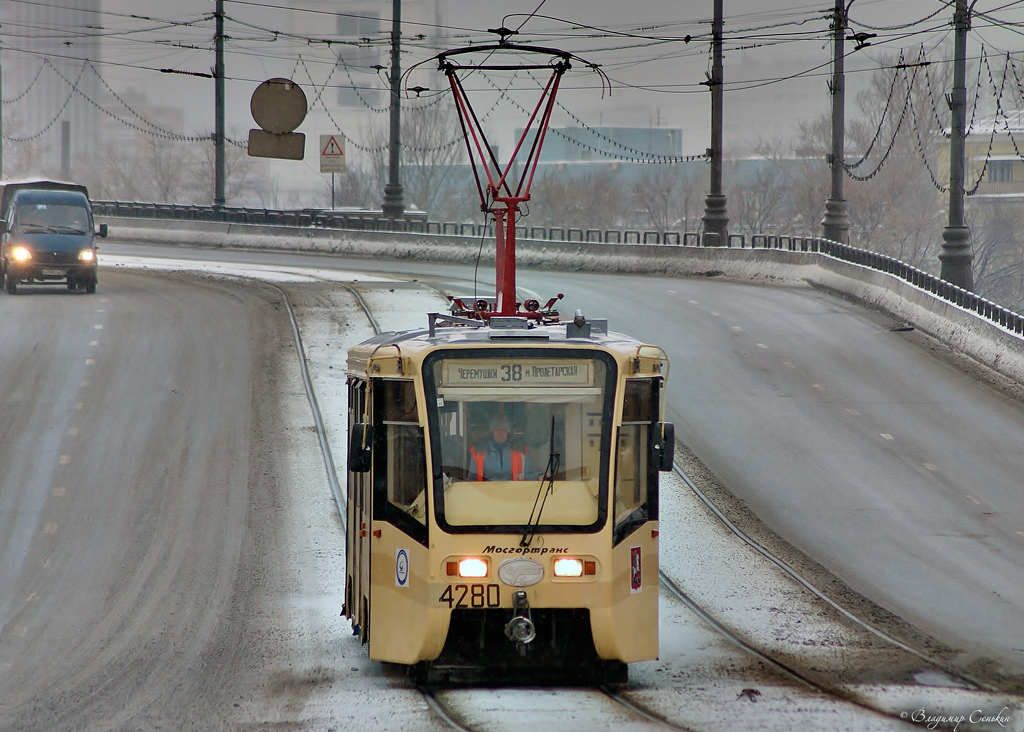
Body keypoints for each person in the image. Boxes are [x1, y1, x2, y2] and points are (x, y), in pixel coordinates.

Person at [469, 414, 532, 481]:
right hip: (485, 490)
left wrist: (540, 476)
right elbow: (472, 477)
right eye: (497, 430)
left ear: (509, 432)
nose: (500, 433)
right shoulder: (478, 451)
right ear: (492, 432)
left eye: (504, 430)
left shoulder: (521, 451)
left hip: (513, 490)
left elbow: (528, 474)